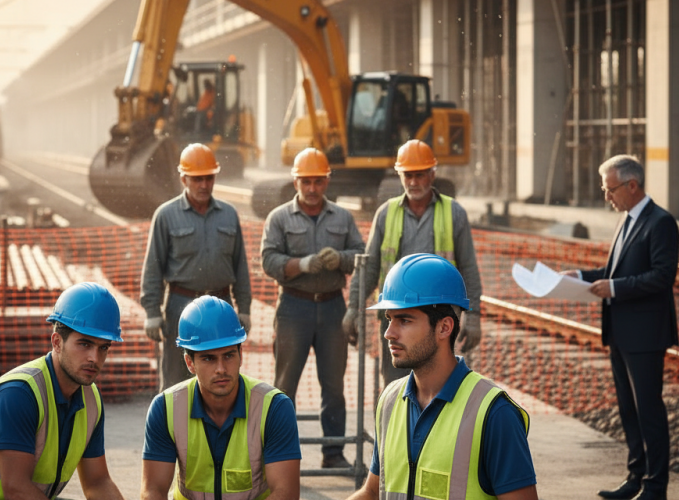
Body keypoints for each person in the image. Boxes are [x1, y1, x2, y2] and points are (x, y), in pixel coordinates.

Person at [347, 253, 538, 500]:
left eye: (404, 320)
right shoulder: (390, 401)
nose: (389, 333)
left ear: (444, 327)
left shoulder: (494, 413)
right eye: (389, 320)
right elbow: (372, 492)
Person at [0, 282, 126, 500]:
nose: (94, 358)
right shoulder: (18, 394)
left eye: (103, 348)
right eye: (84, 344)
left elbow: (98, 482)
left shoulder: (91, 400)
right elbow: (16, 490)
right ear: (57, 342)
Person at [563, 155, 679, 500]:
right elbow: (615, 271)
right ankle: (635, 478)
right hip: (620, 332)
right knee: (628, 410)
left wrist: (614, 289)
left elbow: (662, 276)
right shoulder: (627, 220)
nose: (606, 196)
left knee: (649, 412)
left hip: (645, 336)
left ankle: (655, 487)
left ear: (632, 185)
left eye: (610, 189)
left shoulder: (661, 223)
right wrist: (582, 276)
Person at [344, 139, 483, 386]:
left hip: (439, 320)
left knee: (439, 386)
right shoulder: (387, 213)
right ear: (400, 175)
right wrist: (353, 309)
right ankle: (397, 426)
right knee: (395, 387)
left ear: (432, 174)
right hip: (397, 316)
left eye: (420, 175)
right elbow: (369, 268)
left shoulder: (454, 213)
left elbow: (469, 269)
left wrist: (473, 316)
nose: (413, 182)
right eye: (408, 175)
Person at [260, 147, 366, 469]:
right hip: (294, 307)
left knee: (333, 386)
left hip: (333, 308)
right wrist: (301, 264)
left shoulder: (343, 217)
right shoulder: (279, 218)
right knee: (284, 385)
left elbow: (361, 256)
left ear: (327, 181)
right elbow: (268, 259)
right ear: (295, 181)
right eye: (305, 181)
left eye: (318, 181)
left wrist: (342, 259)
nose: (312, 188)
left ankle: (333, 453)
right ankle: (279, 457)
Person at [140, 296, 301, 500]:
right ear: (190, 363)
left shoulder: (274, 407)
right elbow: (152, 491)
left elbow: (285, 494)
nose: (221, 369)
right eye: (208, 358)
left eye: (228, 355)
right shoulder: (166, 408)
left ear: (240, 355)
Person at [141, 143, 252, 393]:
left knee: (221, 379)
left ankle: (214, 431)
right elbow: (153, 269)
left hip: (222, 305)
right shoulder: (166, 216)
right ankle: (171, 431)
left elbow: (240, 266)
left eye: (209, 178)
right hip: (181, 305)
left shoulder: (229, 215)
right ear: (183, 178)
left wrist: (244, 309)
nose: (204, 185)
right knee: (176, 381)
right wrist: (152, 312)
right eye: (197, 179)